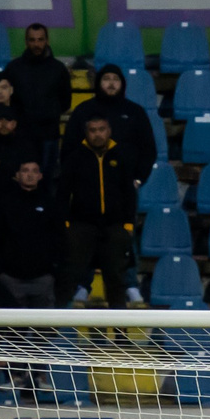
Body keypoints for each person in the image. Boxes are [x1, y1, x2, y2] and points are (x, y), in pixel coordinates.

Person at [56, 112, 141, 308]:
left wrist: (128, 224)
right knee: (68, 275)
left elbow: (129, 194)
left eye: (101, 129)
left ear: (109, 130)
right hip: (81, 226)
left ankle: (120, 327)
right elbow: (62, 193)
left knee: (116, 280)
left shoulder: (121, 155)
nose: (97, 134)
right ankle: (56, 322)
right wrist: (66, 225)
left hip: (114, 226)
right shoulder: (75, 157)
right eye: (93, 130)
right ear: (86, 133)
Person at [0, 159, 62, 306]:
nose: (30, 175)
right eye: (25, 170)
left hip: (42, 278)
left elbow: (59, 238)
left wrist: (53, 270)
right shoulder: (4, 203)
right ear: (17, 175)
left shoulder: (50, 204)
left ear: (40, 176)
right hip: (10, 278)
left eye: (34, 171)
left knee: (44, 321)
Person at [80, 63, 158, 176]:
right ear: (99, 82)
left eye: (116, 79)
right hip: (91, 178)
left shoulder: (135, 111)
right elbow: (71, 148)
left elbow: (148, 149)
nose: (111, 83)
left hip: (126, 180)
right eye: (106, 79)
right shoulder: (84, 110)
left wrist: (138, 178)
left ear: (122, 83)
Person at [3, 22, 72, 140]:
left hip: (49, 134)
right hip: (21, 134)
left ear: (47, 41)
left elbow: (65, 102)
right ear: (26, 42)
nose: (36, 44)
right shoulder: (13, 68)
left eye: (40, 40)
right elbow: (8, 100)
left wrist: (50, 115)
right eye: (32, 40)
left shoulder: (58, 69)